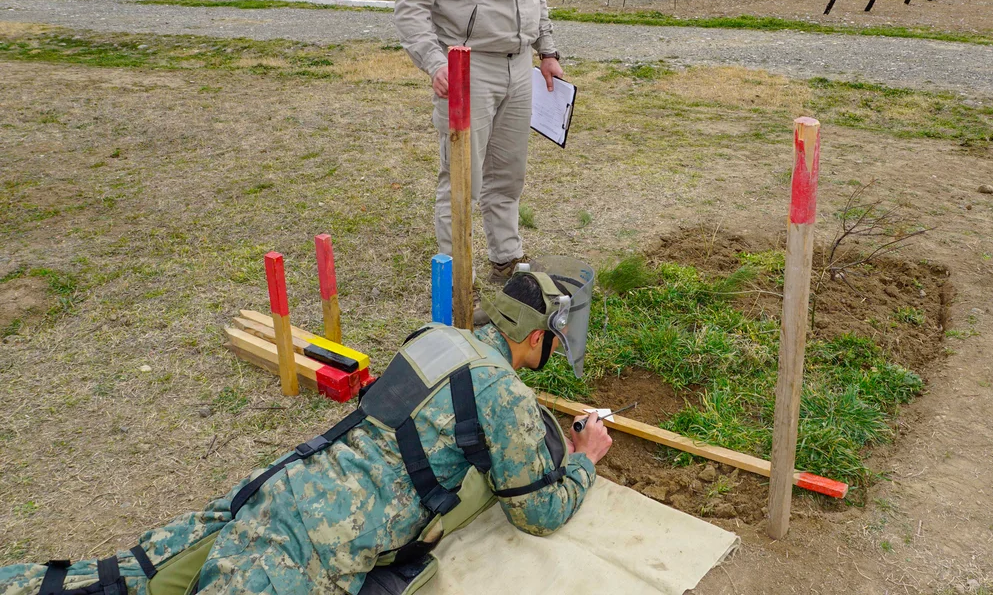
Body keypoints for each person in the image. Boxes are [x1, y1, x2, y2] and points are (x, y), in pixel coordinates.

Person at [0, 266, 609, 595]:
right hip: (314, 545)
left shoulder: (434, 336)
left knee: (123, 575)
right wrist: (584, 458)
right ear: (537, 338)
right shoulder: (506, 394)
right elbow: (539, 512)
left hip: (285, 485)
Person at [393, 0, 563, 287]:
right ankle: (457, 274)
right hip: (468, 70)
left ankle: (506, 260)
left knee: (508, 175)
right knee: (462, 181)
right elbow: (410, 8)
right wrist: (434, 63)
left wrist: (547, 50)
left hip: (519, 64)